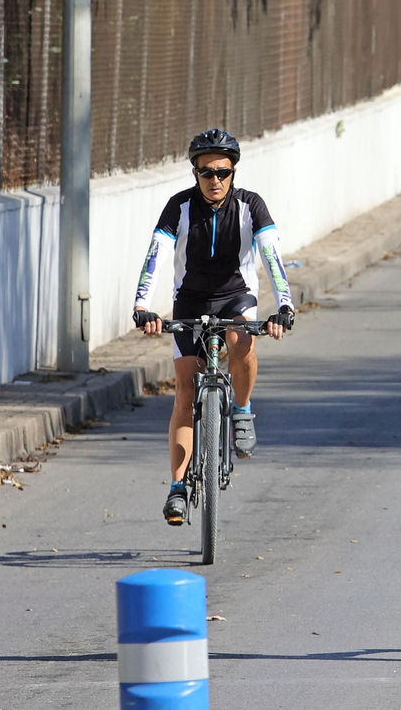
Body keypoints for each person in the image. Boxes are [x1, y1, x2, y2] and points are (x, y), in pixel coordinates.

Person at [131, 129, 295, 525]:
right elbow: (156, 254)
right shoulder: (180, 207)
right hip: (190, 301)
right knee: (185, 388)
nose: (215, 180)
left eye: (223, 171)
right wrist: (142, 305)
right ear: (195, 173)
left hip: (236, 296)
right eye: (207, 173)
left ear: (233, 172)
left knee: (241, 341)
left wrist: (284, 305)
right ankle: (177, 489)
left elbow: (271, 256)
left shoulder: (251, 205)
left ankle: (242, 409)